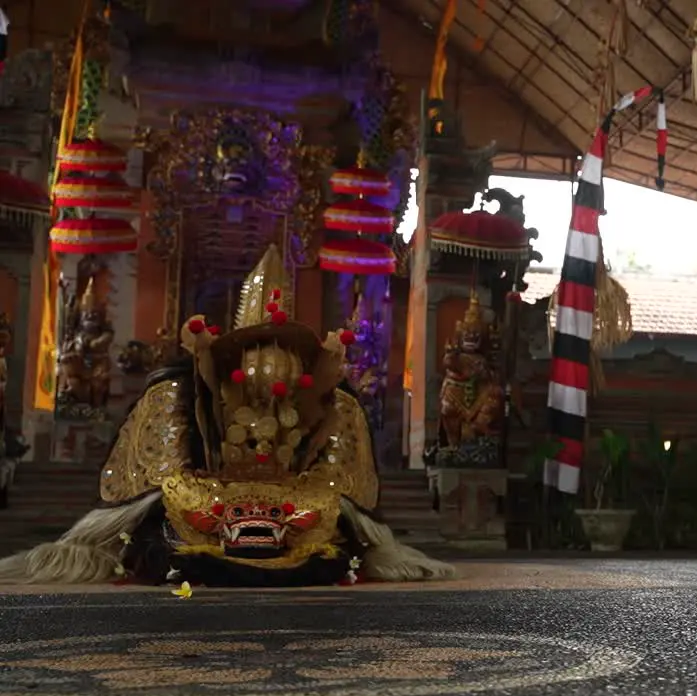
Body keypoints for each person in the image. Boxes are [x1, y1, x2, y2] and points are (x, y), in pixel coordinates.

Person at [0, 245, 454, 587]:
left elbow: (334, 486)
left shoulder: (337, 404)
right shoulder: (177, 394)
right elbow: (171, 481)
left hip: (298, 498)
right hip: (207, 494)